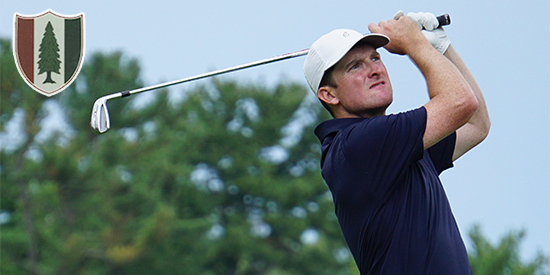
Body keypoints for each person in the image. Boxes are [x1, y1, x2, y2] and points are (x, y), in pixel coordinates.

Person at [303, 11, 490, 274]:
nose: (374, 69)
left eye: (376, 58)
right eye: (355, 66)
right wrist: (416, 44)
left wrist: (441, 49)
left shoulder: (397, 143)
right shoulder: (358, 144)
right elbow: (460, 102)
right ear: (329, 95)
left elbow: (476, 124)